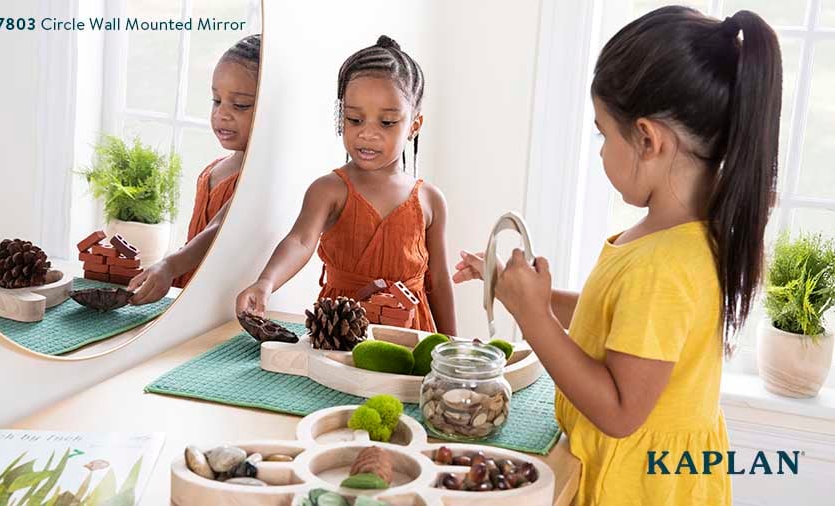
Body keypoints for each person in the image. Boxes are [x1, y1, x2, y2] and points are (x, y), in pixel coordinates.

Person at [454, 7, 781, 505]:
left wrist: (533, 316)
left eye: (604, 133)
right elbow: (616, 324)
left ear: (648, 139)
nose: (602, 149)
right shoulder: (682, 236)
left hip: (637, 487)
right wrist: (511, 288)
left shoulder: (662, 264)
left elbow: (620, 410)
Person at [236, 35, 456, 335]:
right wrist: (266, 282)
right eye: (355, 119)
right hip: (341, 334)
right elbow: (300, 241)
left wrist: (452, 347)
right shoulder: (329, 190)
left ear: (414, 125)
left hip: (412, 334)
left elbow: (439, 281)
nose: (367, 133)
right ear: (342, 116)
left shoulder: (431, 200)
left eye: (387, 122)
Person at [129, 34, 261, 305]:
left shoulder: (257, 177)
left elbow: (219, 229)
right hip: (186, 291)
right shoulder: (215, 169)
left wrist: (170, 265)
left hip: (217, 303)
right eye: (216, 100)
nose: (222, 114)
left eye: (240, 105)